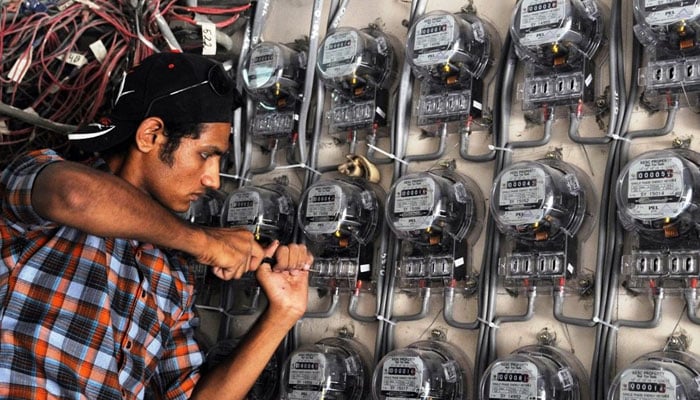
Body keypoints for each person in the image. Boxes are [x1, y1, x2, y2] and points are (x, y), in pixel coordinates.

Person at [0, 52, 313, 399]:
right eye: (206, 155)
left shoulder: (173, 279)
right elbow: (76, 195)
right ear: (151, 135)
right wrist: (205, 243)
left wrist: (283, 313)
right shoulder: (39, 177)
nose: (212, 179)